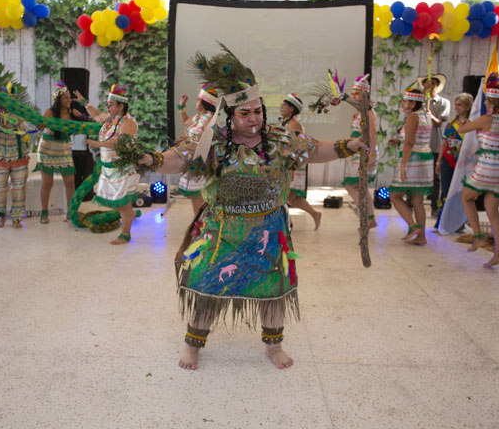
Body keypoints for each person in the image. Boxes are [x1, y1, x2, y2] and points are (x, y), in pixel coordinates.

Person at [133, 44, 365, 370]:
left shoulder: (280, 140)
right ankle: (193, 344)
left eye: (258, 111)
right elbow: (179, 158)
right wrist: (151, 159)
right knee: (208, 286)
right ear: (230, 115)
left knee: (274, 290)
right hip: (221, 229)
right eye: (245, 113)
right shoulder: (212, 142)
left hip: (268, 230)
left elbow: (315, 150)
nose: (253, 117)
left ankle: (273, 346)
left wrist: (348, 146)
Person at [459, 74, 499, 268]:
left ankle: (479, 237)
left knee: (466, 197)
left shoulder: (486, 119)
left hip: (487, 167)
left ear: (490, 101)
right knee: (493, 212)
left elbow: (462, 129)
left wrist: (463, 119)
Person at [80, 85, 139, 245]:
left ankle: (125, 235)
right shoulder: (110, 119)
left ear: (121, 106)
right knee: (118, 203)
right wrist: (85, 103)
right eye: (107, 104)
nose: (107, 107)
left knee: (124, 203)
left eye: (111, 104)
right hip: (110, 168)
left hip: (123, 169)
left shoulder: (128, 123)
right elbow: (97, 115)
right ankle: (129, 218)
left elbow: (120, 142)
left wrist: (99, 144)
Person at [389, 84, 433, 245]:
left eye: (405, 101)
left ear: (413, 104)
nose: (402, 104)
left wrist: (403, 165)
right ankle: (421, 237)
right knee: (417, 200)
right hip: (425, 160)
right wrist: (398, 140)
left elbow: (409, 143)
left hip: (413, 160)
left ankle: (413, 226)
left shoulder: (413, 117)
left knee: (394, 195)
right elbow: (417, 137)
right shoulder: (426, 115)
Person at [34, 85, 83, 223]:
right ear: (58, 99)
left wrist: (82, 116)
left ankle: (70, 211)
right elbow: (39, 127)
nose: (69, 100)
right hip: (47, 148)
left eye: (69, 97)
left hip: (64, 148)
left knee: (70, 182)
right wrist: (39, 123)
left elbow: (84, 122)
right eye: (65, 97)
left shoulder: (73, 112)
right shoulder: (50, 112)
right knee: (47, 183)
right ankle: (44, 213)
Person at [0, 102, 31, 228]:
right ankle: (1, 216)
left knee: (19, 187)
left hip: (19, 154)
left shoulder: (19, 111)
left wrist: (14, 118)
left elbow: (25, 128)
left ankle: (16, 218)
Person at [280, 93, 322, 230]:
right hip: (289, 163)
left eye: (284, 105)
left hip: (293, 164)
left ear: (292, 109)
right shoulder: (287, 123)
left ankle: (287, 222)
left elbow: (297, 147)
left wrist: (291, 169)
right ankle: (313, 214)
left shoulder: (293, 125)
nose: (281, 107)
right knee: (290, 197)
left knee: (286, 195)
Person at [342, 75, 378, 230]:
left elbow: (372, 135)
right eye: (353, 93)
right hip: (356, 153)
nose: (354, 96)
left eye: (357, 93)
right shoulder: (358, 112)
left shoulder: (369, 112)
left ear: (365, 95)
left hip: (364, 153)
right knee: (360, 187)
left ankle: (366, 216)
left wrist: (371, 155)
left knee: (351, 185)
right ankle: (369, 218)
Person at [176, 84, 218, 214]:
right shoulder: (198, 117)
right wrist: (181, 106)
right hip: (192, 159)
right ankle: (199, 225)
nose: (196, 102)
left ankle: (201, 226)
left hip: (202, 162)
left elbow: (206, 138)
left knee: (199, 198)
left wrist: (187, 141)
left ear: (205, 102)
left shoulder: (210, 118)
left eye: (198, 100)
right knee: (196, 198)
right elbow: (186, 122)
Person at [434, 93, 473, 228]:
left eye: (460, 105)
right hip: (447, 161)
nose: (456, 107)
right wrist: (439, 161)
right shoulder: (451, 124)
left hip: (464, 163)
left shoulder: (472, 124)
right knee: (445, 192)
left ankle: (458, 223)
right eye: (455, 104)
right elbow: (444, 143)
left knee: (460, 193)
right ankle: (442, 221)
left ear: (467, 107)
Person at [420, 74, 451, 217]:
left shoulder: (444, 102)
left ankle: (434, 206)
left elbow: (439, 122)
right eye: (428, 83)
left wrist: (430, 115)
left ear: (437, 86)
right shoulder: (420, 100)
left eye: (433, 83)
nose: (430, 86)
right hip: (419, 143)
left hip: (434, 143)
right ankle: (410, 204)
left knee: (435, 177)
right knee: (416, 174)